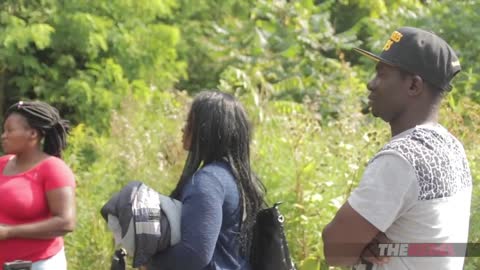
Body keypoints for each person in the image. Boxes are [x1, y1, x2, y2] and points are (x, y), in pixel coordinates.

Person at [322, 26, 472, 270]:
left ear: (414, 85)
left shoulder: (401, 159)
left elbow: (335, 251)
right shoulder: (451, 146)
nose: (371, 84)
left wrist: (360, 242)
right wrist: (367, 241)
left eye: (382, 74)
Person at [146, 91, 266, 270]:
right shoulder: (235, 177)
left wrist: (150, 263)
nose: (183, 128)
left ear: (206, 130)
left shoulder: (208, 182)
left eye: (189, 123)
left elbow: (194, 254)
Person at [0, 101, 76, 269]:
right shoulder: (2, 164)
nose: (3, 136)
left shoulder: (54, 169)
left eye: (9, 130)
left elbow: (65, 222)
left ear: (32, 133)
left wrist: (9, 232)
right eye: (4, 131)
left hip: (39, 263)